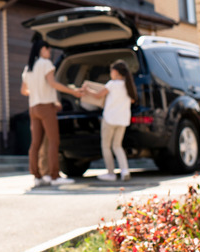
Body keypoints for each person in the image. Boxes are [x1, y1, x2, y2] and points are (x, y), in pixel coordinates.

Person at [20, 38, 82, 187]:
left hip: (33, 108)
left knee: (35, 143)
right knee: (54, 141)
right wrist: (73, 91)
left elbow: (23, 91)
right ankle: (54, 176)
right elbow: (53, 84)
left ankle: (37, 176)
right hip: (46, 107)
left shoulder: (28, 67)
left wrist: (36, 91)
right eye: (48, 50)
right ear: (43, 49)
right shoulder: (46, 64)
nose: (49, 53)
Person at [82, 60, 136, 181]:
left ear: (116, 72)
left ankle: (111, 173)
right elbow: (132, 101)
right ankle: (124, 170)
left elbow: (98, 95)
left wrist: (86, 91)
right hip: (122, 120)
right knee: (117, 146)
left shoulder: (112, 84)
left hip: (110, 119)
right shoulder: (128, 86)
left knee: (106, 146)